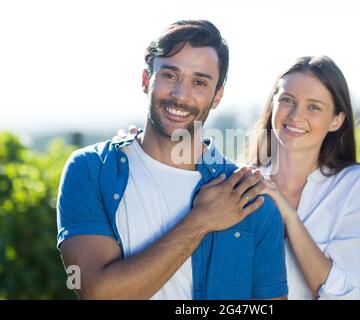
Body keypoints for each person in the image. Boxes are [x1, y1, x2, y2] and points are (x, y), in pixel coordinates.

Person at [56, 20, 288, 300]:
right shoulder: (90, 170)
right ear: (146, 80)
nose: (181, 95)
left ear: (217, 97)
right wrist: (200, 221)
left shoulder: (249, 198)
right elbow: (98, 294)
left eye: (199, 82)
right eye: (170, 75)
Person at [248, 55, 360, 299]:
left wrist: (289, 216)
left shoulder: (354, 185)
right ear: (272, 107)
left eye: (314, 107)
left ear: (336, 120)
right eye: (288, 100)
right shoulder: (243, 184)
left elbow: (343, 295)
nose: (296, 116)